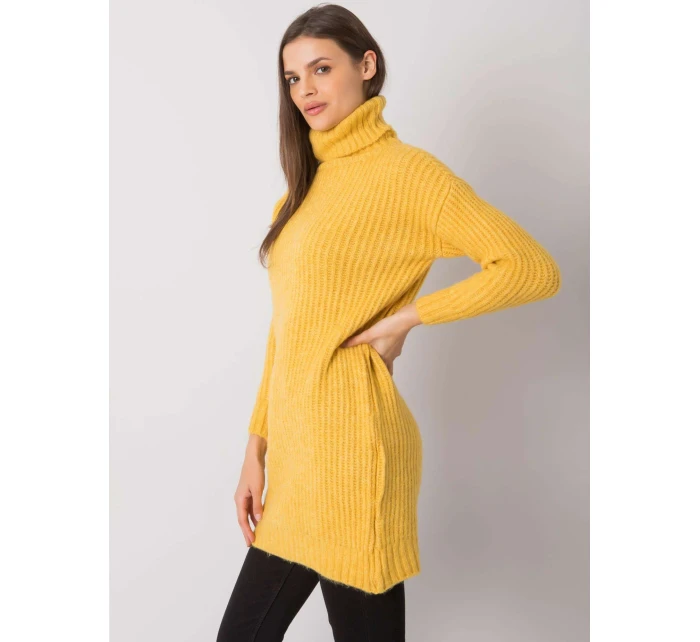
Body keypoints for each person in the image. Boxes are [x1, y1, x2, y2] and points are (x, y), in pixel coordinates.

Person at [217, 4, 561, 641]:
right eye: (293, 78)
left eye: (321, 68)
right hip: (299, 457)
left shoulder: (409, 176)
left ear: (366, 65)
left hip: (354, 452)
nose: (305, 90)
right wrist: (255, 448)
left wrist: (408, 318)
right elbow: (287, 331)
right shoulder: (302, 191)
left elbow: (530, 267)